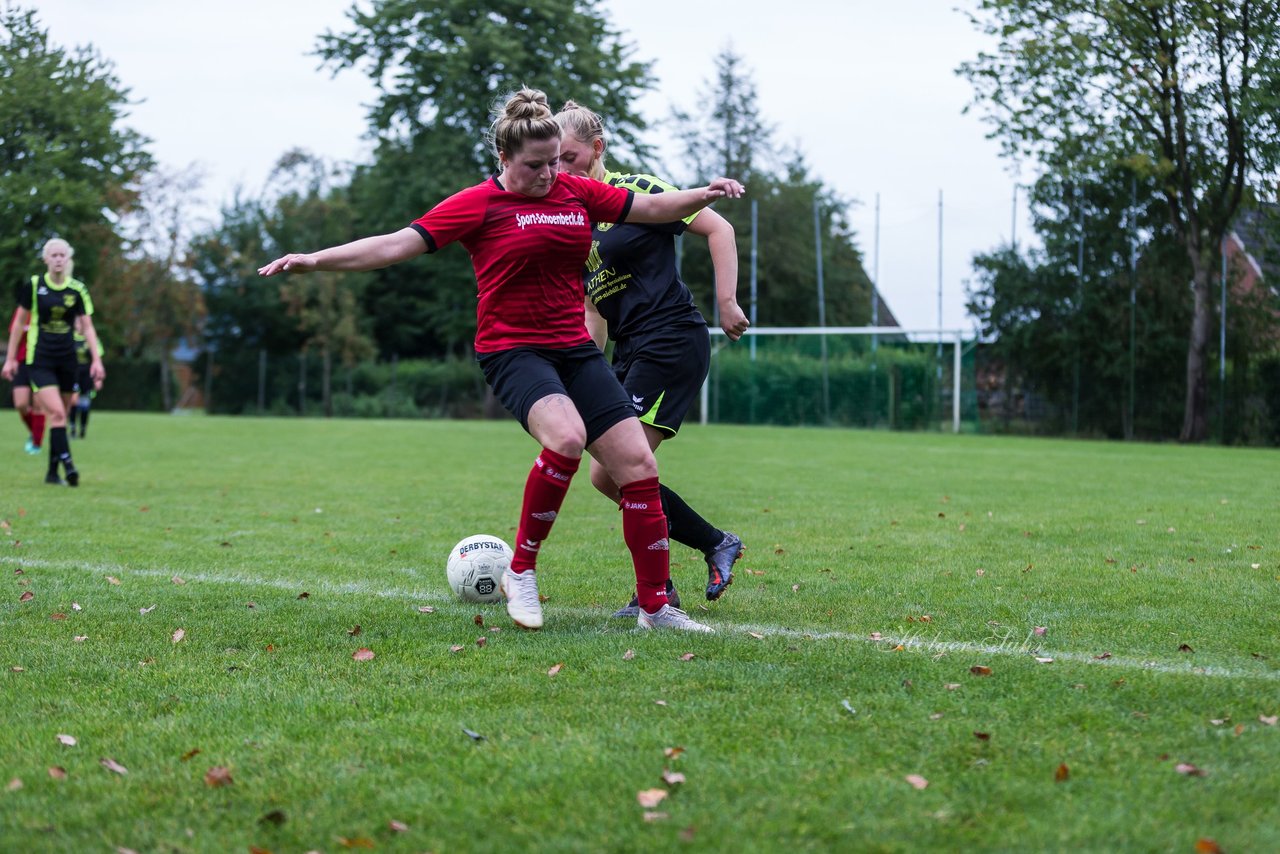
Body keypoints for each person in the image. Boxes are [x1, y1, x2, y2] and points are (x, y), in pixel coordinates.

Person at [258, 88, 745, 633]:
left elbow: (654, 208)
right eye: (535, 165)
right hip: (513, 350)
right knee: (563, 439)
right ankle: (522, 571)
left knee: (636, 465)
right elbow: (396, 245)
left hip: (574, 350)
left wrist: (707, 191)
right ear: (504, 160)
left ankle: (657, 608)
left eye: (555, 161)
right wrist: (315, 260)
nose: (547, 175)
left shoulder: (575, 192)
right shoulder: (476, 203)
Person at [554, 101, 750, 618]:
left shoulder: (637, 191)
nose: (561, 169)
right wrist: (581, 373)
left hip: (671, 340)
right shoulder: (575, 217)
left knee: (626, 465)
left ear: (597, 149)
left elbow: (719, 229)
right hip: (630, 350)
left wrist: (727, 301)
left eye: (570, 156)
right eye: (553, 160)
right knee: (604, 475)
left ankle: (659, 591)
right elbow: (594, 309)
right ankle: (709, 546)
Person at [2, 238, 106, 486]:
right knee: (57, 411)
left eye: (62, 255)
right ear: (46, 259)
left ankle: (52, 473)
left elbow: (88, 328)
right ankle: (68, 464)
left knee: (61, 416)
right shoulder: (35, 286)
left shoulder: (78, 290)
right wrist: (9, 359)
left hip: (68, 360)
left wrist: (97, 360)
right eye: (54, 255)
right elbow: (18, 323)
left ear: (68, 259)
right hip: (40, 359)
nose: (58, 259)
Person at [6, 306, 46, 454]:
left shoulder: (46, 309)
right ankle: (34, 432)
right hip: (22, 362)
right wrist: (11, 360)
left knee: (38, 405)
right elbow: (14, 336)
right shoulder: (22, 310)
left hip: (41, 363)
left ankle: (37, 444)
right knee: (21, 404)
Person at [69, 319, 104, 438]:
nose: (80, 326)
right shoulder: (69, 338)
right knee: (73, 401)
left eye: (82, 323)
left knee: (85, 403)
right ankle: (72, 428)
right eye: (78, 323)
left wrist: (98, 378)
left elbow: (98, 360)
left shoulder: (93, 339)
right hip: (73, 374)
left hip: (87, 375)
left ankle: (83, 428)